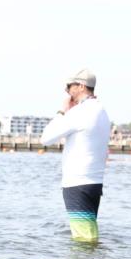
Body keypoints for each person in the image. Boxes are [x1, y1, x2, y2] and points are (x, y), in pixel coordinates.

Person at [39, 69, 110, 242]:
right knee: (89, 233)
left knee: (83, 238)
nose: (67, 91)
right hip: (94, 181)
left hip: (77, 182)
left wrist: (62, 111)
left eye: (70, 87)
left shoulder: (80, 112)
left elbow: (45, 139)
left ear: (81, 86)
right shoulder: (101, 111)